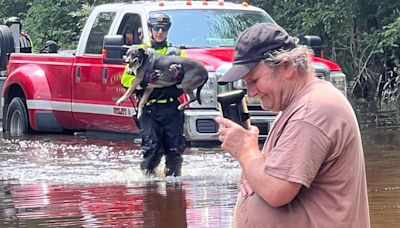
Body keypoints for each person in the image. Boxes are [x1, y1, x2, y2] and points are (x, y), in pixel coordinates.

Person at [216, 23, 370, 227]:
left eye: (254, 80)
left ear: (286, 67)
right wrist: (253, 168)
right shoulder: (299, 105)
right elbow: (276, 176)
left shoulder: (311, 111)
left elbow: (276, 190)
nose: (251, 92)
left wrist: (245, 152)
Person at [120, 13, 187, 177]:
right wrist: (143, 81)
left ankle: (174, 191)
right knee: (152, 149)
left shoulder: (177, 54)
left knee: (174, 151)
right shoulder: (139, 53)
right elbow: (125, 79)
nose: (160, 32)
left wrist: (181, 76)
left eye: (164, 29)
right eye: (157, 28)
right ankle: (148, 187)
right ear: (150, 29)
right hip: (149, 110)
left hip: (172, 108)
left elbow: (190, 78)